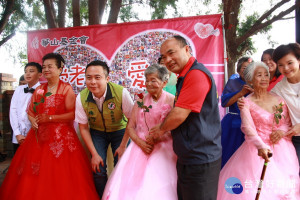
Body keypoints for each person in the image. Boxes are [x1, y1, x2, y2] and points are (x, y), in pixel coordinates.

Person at [0, 53, 100, 199]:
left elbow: (72, 115)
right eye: (44, 67)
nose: (46, 70)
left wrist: (50, 118)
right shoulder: (40, 89)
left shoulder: (66, 89)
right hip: (39, 138)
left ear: (60, 69)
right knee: (34, 174)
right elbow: (31, 110)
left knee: (61, 175)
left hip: (61, 139)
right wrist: (32, 119)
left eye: (50, 67)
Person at [149, 35, 222, 200]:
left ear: (187, 49)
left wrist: (160, 129)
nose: (168, 60)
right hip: (189, 155)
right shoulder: (184, 76)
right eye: (163, 57)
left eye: (171, 53)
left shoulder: (196, 74)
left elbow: (179, 114)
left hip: (200, 157)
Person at [217, 62, 300, 199]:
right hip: (256, 150)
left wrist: (282, 132)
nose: (264, 78)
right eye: (259, 75)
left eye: (266, 75)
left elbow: (286, 122)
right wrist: (260, 145)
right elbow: (247, 128)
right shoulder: (246, 102)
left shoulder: (279, 99)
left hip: (283, 149)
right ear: (250, 79)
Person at [102, 64, 177, 200]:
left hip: (163, 146)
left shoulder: (172, 100)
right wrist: (140, 143)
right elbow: (130, 127)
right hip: (140, 146)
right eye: (147, 80)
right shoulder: (140, 100)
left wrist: (159, 136)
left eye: (153, 80)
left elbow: (175, 126)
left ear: (164, 82)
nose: (149, 84)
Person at [75, 60, 134, 198]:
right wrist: (94, 154)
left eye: (97, 77)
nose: (93, 82)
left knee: (121, 166)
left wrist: (124, 145)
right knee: (98, 170)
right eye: (88, 78)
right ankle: (103, 196)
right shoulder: (81, 97)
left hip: (120, 130)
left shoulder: (121, 92)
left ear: (107, 79)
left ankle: (120, 196)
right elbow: (83, 128)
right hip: (97, 132)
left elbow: (132, 120)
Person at [220, 57, 253, 168]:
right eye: (244, 68)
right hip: (233, 125)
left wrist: (254, 93)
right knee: (230, 154)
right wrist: (242, 92)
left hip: (252, 124)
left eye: (250, 68)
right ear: (239, 70)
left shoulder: (257, 83)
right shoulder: (233, 82)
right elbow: (225, 103)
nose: (246, 70)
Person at [271, 43, 300, 169]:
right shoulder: (278, 89)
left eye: (290, 63)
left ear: (298, 60)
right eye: (281, 65)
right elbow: (279, 116)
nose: (286, 68)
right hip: (297, 139)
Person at [10, 62, 42, 154]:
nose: (27, 74)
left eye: (31, 71)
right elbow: (13, 110)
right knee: (19, 163)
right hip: (19, 135)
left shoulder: (42, 90)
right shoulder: (19, 90)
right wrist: (17, 133)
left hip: (35, 135)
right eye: (25, 71)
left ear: (40, 74)